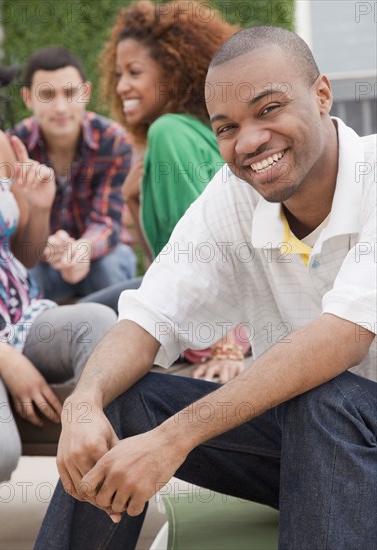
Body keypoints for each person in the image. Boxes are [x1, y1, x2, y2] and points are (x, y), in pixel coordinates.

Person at [35, 24, 376, 550]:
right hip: (314, 455)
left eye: (269, 109)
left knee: (324, 397)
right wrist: (84, 402)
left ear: (322, 94)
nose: (250, 141)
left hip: (353, 430)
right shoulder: (237, 195)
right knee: (126, 400)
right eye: (226, 127)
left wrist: (172, 439)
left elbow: (343, 337)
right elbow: (150, 316)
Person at [0, 22, 117, 500]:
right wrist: (5, 360)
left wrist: (38, 205)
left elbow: (23, 256)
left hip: (20, 318)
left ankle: (91, 472)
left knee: (98, 322)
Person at [81, 0, 248, 382]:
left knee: (82, 324)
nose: (121, 86)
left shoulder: (171, 132)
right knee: (82, 316)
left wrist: (229, 344)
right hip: (191, 306)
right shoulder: (183, 135)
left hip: (229, 316)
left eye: (134, 72)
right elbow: (168, 264)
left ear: (172, 71)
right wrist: (132, 200)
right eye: (119, 73)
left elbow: (217, 243)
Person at [7, 47, 136, 303]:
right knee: (19, 271)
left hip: (98, 256)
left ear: (85, 93)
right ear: (28, 98)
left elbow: (108, 221)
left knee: (113, 263)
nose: (60, 107)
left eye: (70, 93)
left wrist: (82, 249)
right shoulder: (13, 147)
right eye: (47, 95)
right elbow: (12, 228)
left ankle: (125, 338)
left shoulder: (113, 139)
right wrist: (44, 248)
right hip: (41, 261)